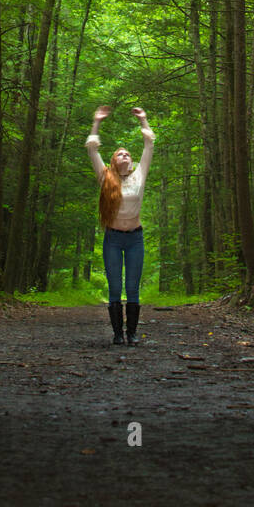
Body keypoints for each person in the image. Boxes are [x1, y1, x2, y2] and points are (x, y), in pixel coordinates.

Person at [85, 104, 155, 346]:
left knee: (133, 288)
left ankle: (132, 334)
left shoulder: (139, 176)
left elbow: (149, 144)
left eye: (128, 154)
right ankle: (117, 335)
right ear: (114, 161)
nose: (125, 156)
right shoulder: (105, 178)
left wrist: (143, 120)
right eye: (120, 154)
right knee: (115, 287)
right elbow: (92, 148)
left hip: (135, 238)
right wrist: (97, 121)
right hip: (113, 239)